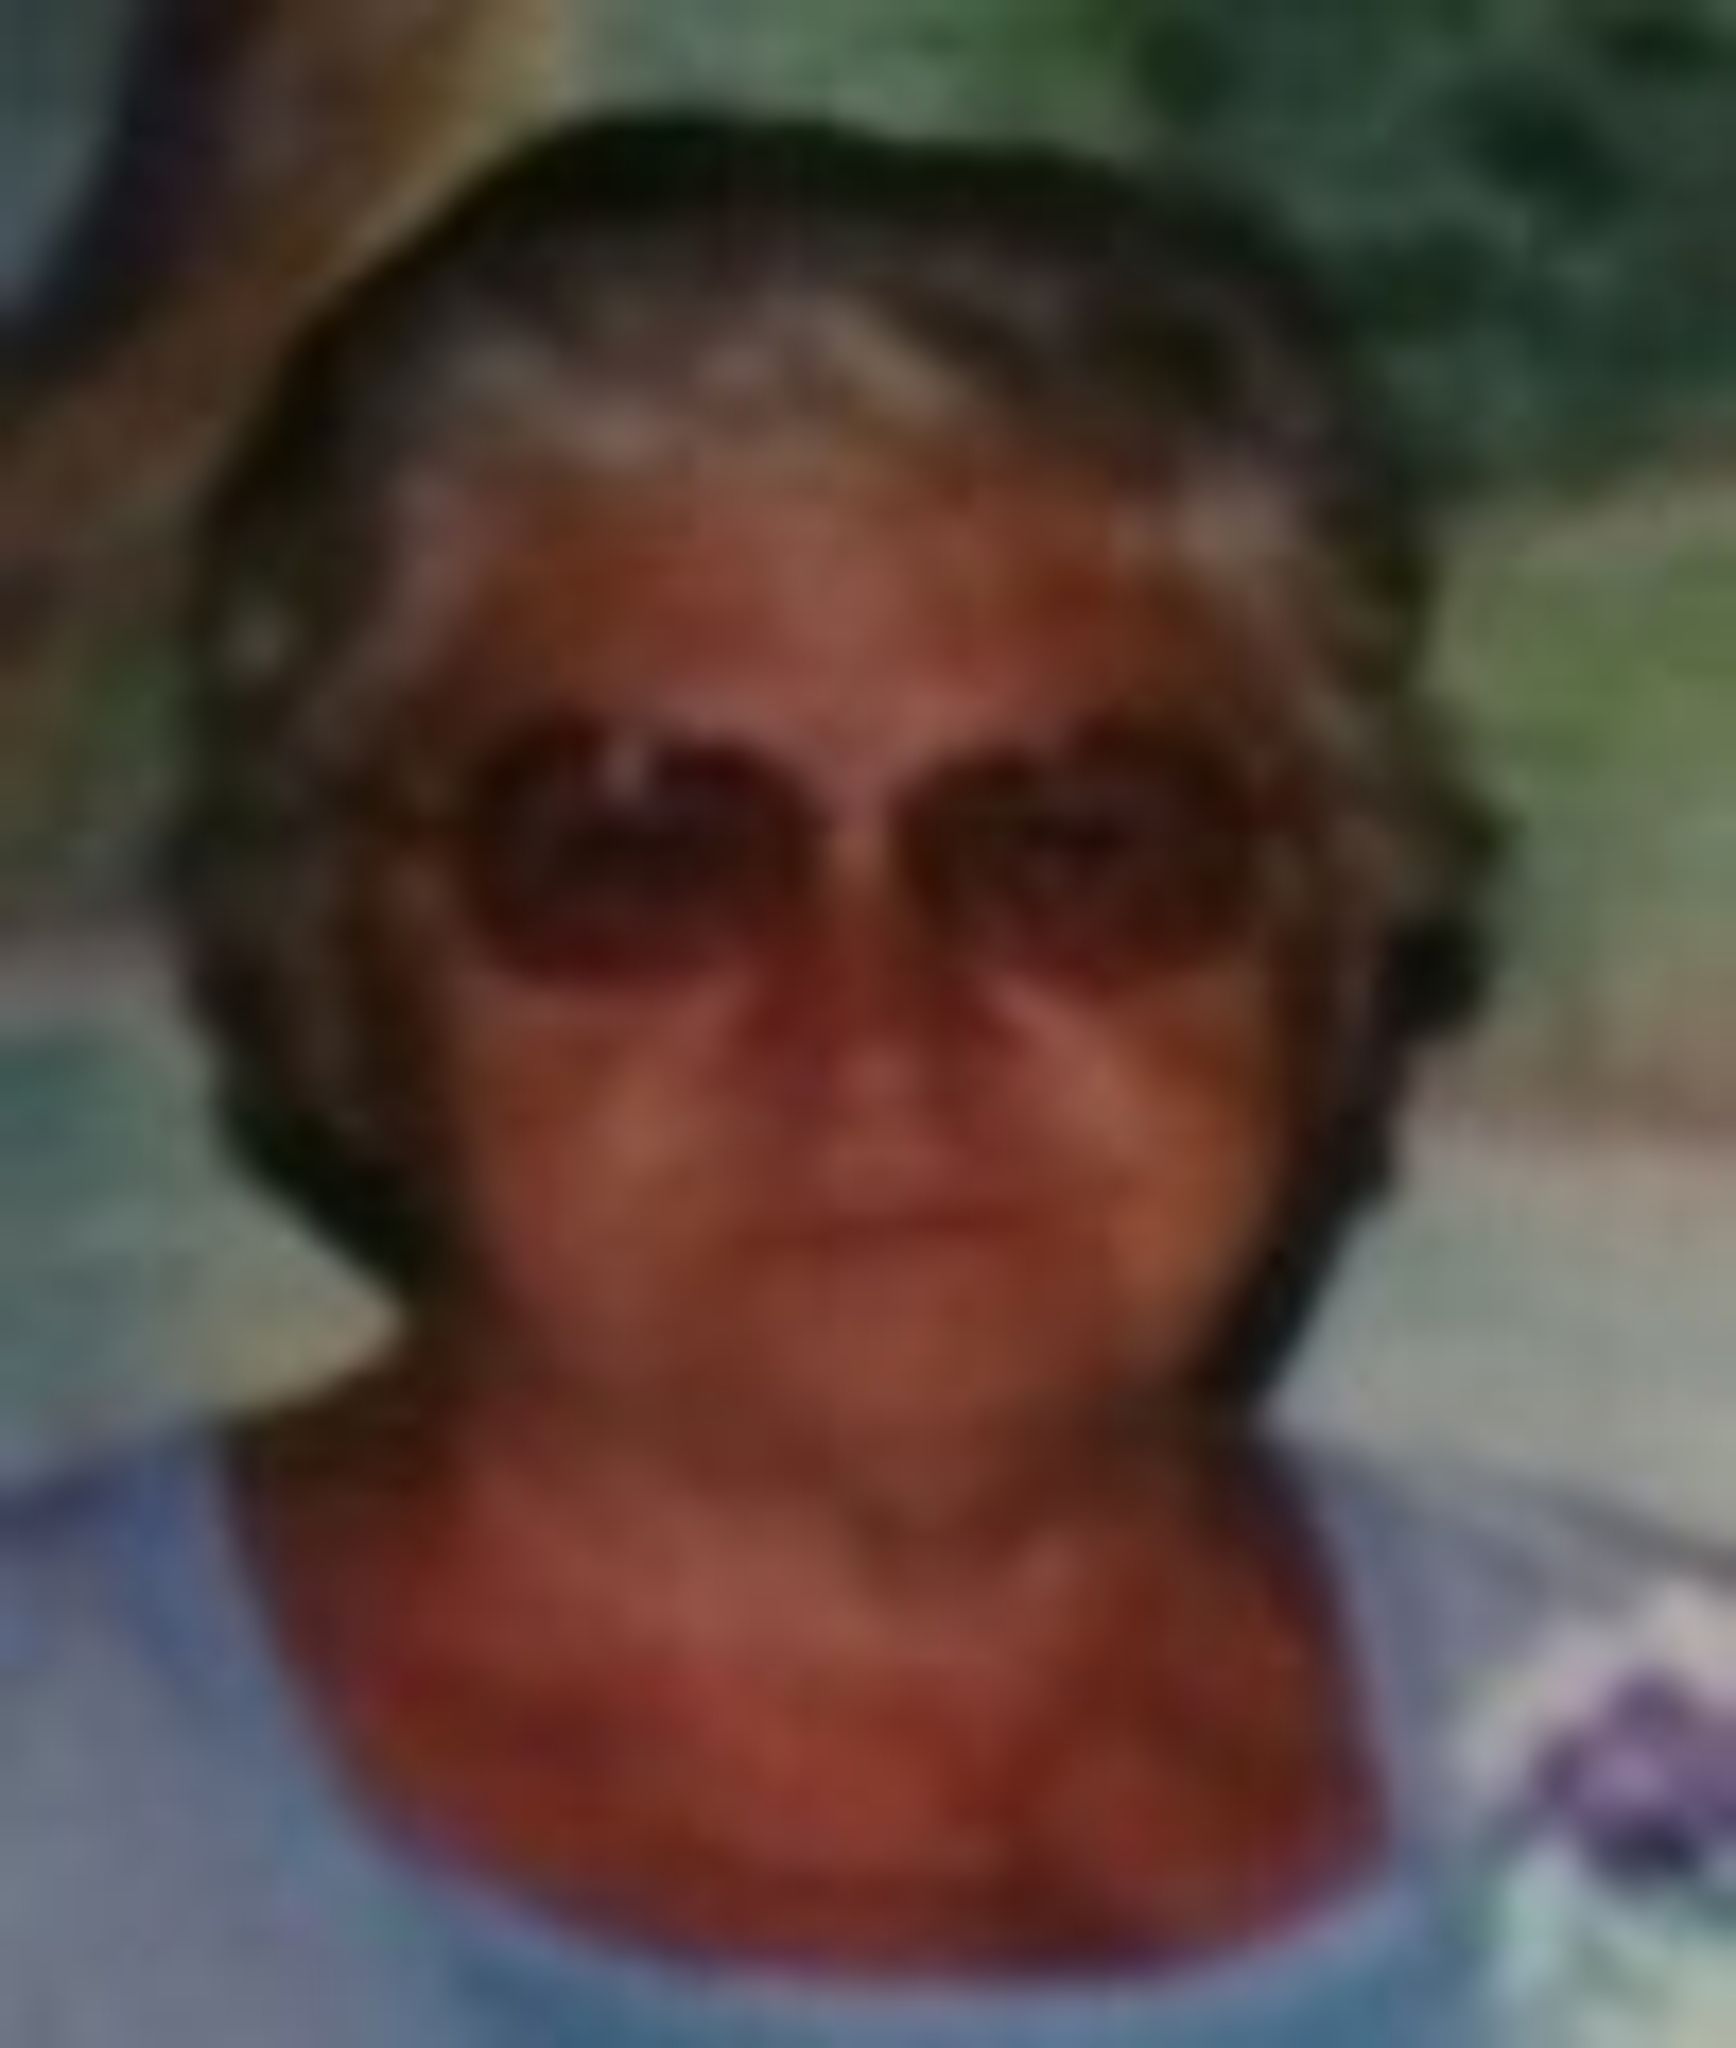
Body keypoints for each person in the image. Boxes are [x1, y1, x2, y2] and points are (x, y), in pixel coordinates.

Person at [0, 112, 1727, 2046]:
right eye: (641, 858)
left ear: (1334, 938)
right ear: (338, 953)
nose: (876, 1034)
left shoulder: (1685, 1761)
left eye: (1079, 847)